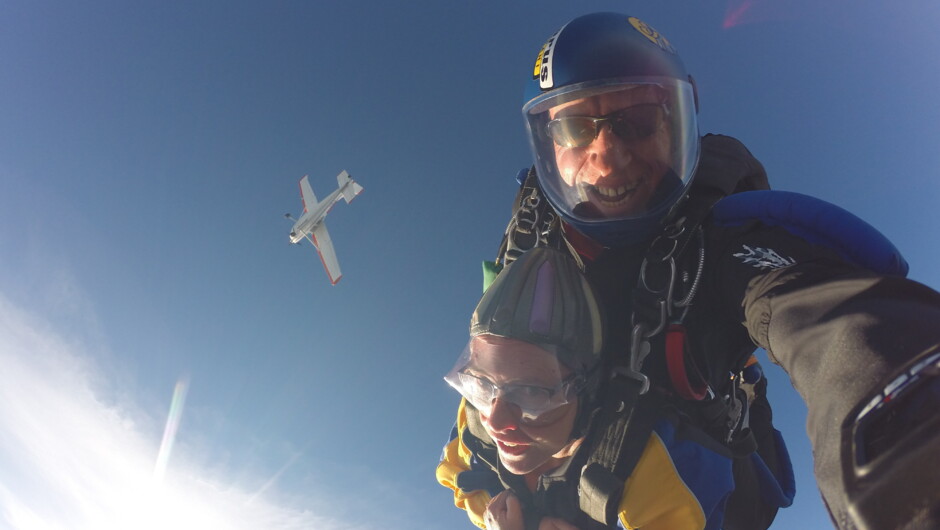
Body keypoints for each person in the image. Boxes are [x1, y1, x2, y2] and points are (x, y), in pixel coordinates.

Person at [438, 11, 940, 530]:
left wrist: (906, 445)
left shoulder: (721, 246)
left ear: (677, 122)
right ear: (550, 142)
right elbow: (466, 452)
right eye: (574, 126)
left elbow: (833, 323)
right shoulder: (531, 237)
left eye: (636, 121)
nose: (607, 160)